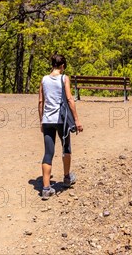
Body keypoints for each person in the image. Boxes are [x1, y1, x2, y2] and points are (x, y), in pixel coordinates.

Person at [38, 54, 83, 200]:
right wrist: (76, 120)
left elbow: (40, 101)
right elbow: (70, 99)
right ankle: (66, 178)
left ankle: (45, 188)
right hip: (61, 120)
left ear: (52, 65)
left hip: (47, 120)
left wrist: (41, 121)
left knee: (48, 152)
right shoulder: (64, 78)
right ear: (62, 66)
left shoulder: (44, 80)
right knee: (66, 148)